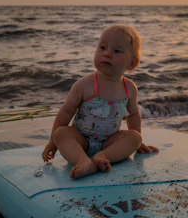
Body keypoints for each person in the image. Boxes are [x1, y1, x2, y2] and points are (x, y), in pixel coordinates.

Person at [42, 24, 159, 179]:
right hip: (81, 141)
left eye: (116, 51)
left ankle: (102, 157)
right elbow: (66, 111)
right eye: (102, 47)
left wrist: (137, 144)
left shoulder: (129, 88)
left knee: (135, 137)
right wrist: (52, 141)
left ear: (132, 63)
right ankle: (83, 161)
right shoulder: (85, 84)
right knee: (61, 133)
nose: (107, 54)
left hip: (109, 143)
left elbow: (133, 115)